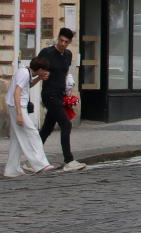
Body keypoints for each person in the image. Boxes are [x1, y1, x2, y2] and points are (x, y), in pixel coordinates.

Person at [38, 28, 86, 172]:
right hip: (49, 94)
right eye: (61, 40)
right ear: (57, 38)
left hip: (59, 94)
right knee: (66, 124)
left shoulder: (67, 54)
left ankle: (32, 159)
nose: (63, 44)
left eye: (66, 42)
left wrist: (67, 89)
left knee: (47, 128)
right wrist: (41, 75)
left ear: (70, 42)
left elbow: (65, 72)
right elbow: (36, 67)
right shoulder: (47, 53)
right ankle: (68, 160)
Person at [5, 57, 53, 177]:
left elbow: (28, 85)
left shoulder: (26, 72)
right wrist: (20, 114)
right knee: (32, 133)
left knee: (16, 140)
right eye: (44, 70)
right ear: (40, 69)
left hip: (16, 106)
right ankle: (40, 163)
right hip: (18, 107)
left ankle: (12, 170)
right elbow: (17, 92)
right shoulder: (24, 74)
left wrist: (39, 78)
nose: (44, 72)